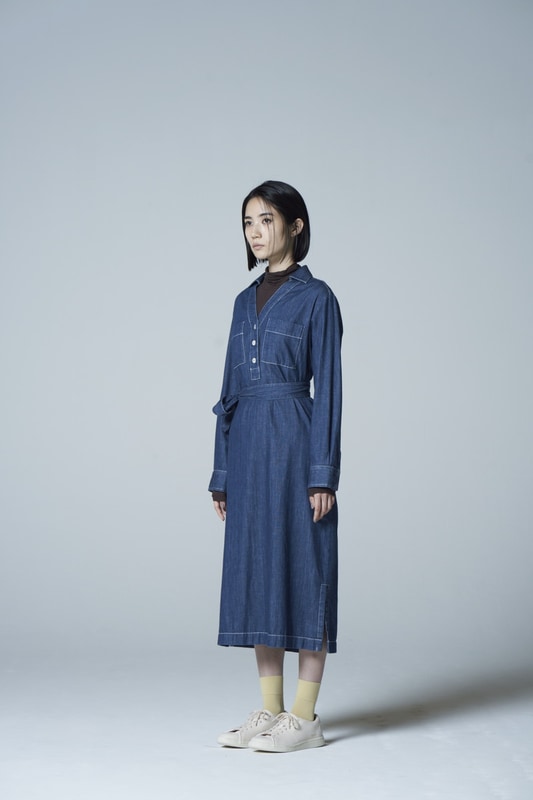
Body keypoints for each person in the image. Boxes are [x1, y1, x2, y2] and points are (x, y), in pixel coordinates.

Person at [209, 180, 342, 753]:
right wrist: (221, 473)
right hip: (247, 450)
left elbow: (329, 390)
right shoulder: (243, 302)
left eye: (266, 219)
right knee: (257, 569)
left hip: (295, 443)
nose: (256, 232)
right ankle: (270, 709)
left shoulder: (318, 298)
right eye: (248, 222)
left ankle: (305, 717)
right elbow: (228, 393)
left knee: (305, 565)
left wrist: (322, 473)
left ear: (295, 225)